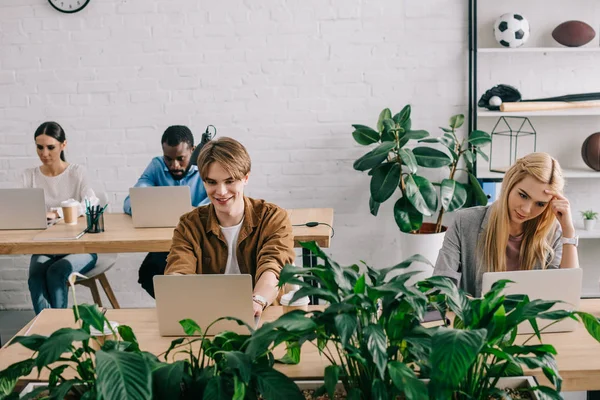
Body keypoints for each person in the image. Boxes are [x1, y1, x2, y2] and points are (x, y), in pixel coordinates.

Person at [164, 137, 295, 317]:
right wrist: (175, 287)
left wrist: (256, 301)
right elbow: (179, 270)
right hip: (208, 318)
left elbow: (272, 267)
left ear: (246, 177)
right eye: (211, 182)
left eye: (230, 181)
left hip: (264, 316)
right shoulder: (189, 225)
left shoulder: (272, 217)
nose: (221, 192)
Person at [433, 152, 578, 297]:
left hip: (531, 320)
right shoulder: (465, 222)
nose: (526, 210)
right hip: (478, 319)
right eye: (523, 195)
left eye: (540, 204)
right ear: (509, 184)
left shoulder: (553, 232)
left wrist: (569, 232)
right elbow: (441, 288)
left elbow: (566, 295)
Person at [123, 125, 209, 298]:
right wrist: (142, 204)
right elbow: (130, 201)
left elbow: (214, 207)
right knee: (149, 273)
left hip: (199, 242)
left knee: (192, 274)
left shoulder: (207, 169)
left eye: (180, 158)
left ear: (193, 151)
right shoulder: (157, 165)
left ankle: (186, 307)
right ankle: (177, 309)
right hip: (166, 242)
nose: (174, 165)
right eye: (168, 159)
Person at [24, 121, 97, 314]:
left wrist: (56, 212)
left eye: (50, 147)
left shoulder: (77, 173)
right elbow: (21, 208)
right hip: (45, 245)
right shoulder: (29, 176)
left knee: (56, 272)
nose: (44, 153)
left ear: (63, 145)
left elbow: (91, 202)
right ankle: (45, 330)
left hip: (80, 246)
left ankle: (59, 330)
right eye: (39, 147)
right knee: (36, 277)